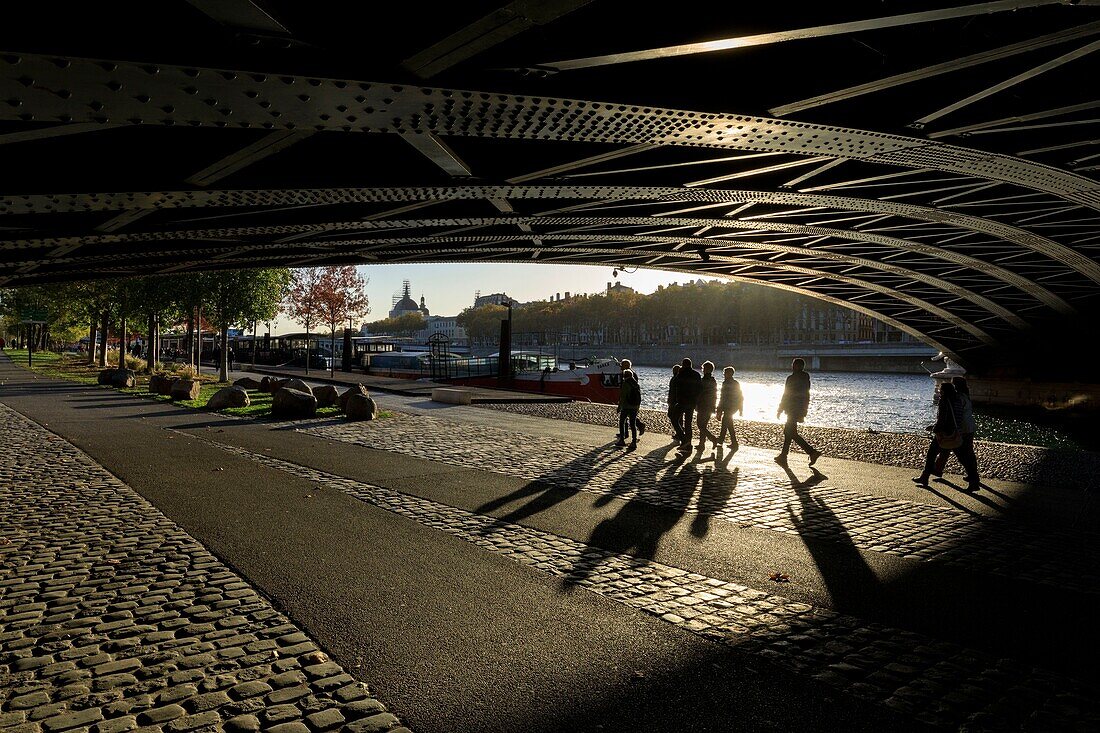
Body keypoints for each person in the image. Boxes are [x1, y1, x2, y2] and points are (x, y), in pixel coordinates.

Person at [914, 381, 971, 488]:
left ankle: (924, 477)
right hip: (955, 432)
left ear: (944, 391)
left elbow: (942, 419)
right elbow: (957, 417)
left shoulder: (944, 401)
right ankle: (974, 480)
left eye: (940, 390)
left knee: (931, 454)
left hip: (944, 434)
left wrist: (934, 429)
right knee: (962, 457)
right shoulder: (957, 400)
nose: (939, 392)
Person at [929, 377, 981, 491]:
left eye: (953, 384)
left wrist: (939, 427)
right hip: (969, 427)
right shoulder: (966, 396)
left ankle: (974, 480)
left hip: (960, 429)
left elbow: (953, 414)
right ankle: (936, 470)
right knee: (963, 453)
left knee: (962, 455)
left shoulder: (956, 398)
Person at [775, 358, 822, 466]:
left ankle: (811, 452)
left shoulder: (791, 379)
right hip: (799, 408)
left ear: (795, 366)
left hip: (792, 408)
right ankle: (783, 455)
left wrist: (780, 409)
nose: (793, 366)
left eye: (794, 365)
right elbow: (806, 395)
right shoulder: (806, 378)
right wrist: (805, 409)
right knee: (789, 432)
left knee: (791, 432)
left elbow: (786, 395)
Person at [673, 358, 702, 455]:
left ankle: (684, 440)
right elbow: (699, 390)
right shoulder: (697, 374)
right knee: (688, 423)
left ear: (683, 365)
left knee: (674, 419)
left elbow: (676, 385)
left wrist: (679, 373)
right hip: (692, 402)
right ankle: (688, 445)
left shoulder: (681, 374)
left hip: (682, 401)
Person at [716, 366, 743, 454]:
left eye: (725, 373)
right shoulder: (736, 383)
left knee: (725, 423)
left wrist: (719, 409)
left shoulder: (726, 383)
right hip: (733, 407)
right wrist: (740, 408)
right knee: (729, 424)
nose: (724, 375)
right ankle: (733, 442)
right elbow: (740, 396)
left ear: (728, 374)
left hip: (728, 406)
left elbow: (723, 397)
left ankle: (721, 441)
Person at [618, 359, 646, 439]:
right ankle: (625, 433)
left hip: (628, 400)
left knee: (626, 418)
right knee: (630, 417)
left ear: (626, 365)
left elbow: (626, 389)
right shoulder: (632, 374)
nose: (620, 367)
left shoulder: (627, 374)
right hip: (632, 400)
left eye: (622, 365)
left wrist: (620, 402)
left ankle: (625, 434)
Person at [696, 361, 719, 451]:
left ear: (705, 369)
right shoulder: (713, 381)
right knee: (703, 425)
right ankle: (702, 444)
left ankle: (713, 439)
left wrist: (697, 404)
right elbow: (714, 395)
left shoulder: (703, 380)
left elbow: (700, 394)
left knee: (700, 425)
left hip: (703, 405)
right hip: (710, 406)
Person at [617, 369, 642, 451]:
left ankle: (622, 440)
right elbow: (639, 397)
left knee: (622, 422)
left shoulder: (625, 384)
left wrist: (619, 407)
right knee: (633, 424)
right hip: (635, 406)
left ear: (624, 376)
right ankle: (634, 441)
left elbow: (623, 396)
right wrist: (638, 407)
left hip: (626, 406)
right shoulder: (636, 384)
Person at [667, 364, 682, 444]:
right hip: (677, 401)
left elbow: (672, 391)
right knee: (678, 417)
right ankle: (679, 431)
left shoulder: (675, 379)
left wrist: (670, 400)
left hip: (674, 401)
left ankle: (679, 432)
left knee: (672, 416)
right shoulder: (679, 378)